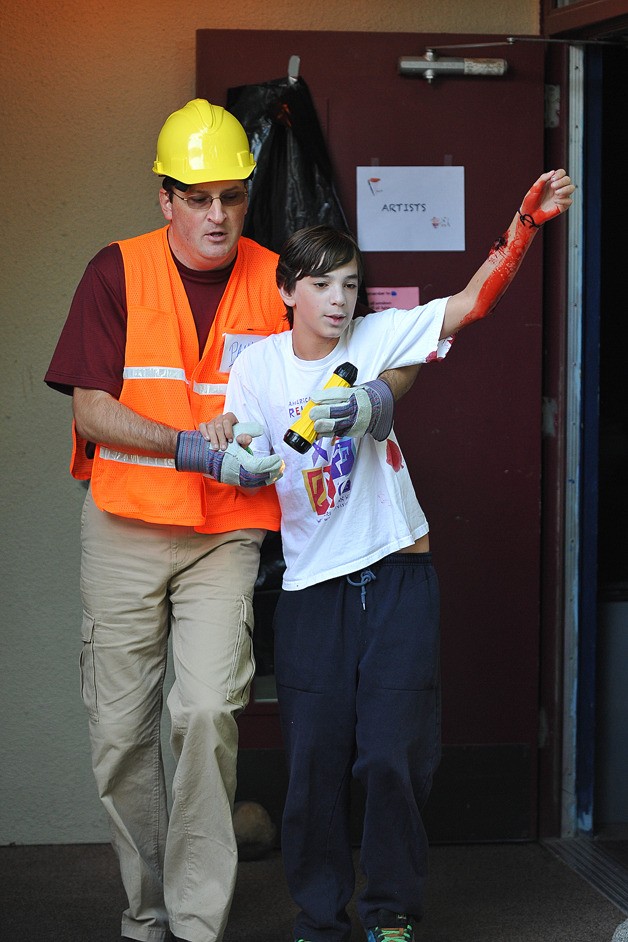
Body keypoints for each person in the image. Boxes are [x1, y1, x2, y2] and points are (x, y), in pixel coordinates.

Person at [44, 98, 416, 942]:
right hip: (127, 522)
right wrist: (190, 448)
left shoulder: (275, 277)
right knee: (120, 735)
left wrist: (376, 403)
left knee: (207, 710)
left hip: (225, 530)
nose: (219, 215)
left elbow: (382, 345)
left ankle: (195, 922)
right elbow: (94, 411)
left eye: (234, 197)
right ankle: (146, 913)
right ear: (164, 198)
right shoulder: (117, 272)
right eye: (200, 196)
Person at [203, 169, 575, 942]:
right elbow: (234, 430)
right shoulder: (259, 365)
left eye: (349, 284)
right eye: (322, 285)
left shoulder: (375, 338)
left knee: (392, 759)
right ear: (287, 292)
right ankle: (318, 918)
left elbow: (474, 302)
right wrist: (231, 447)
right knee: (312, 767)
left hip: (398, 573)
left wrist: (525, 223)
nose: (339, 300)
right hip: (311, 588)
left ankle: (392, 914)